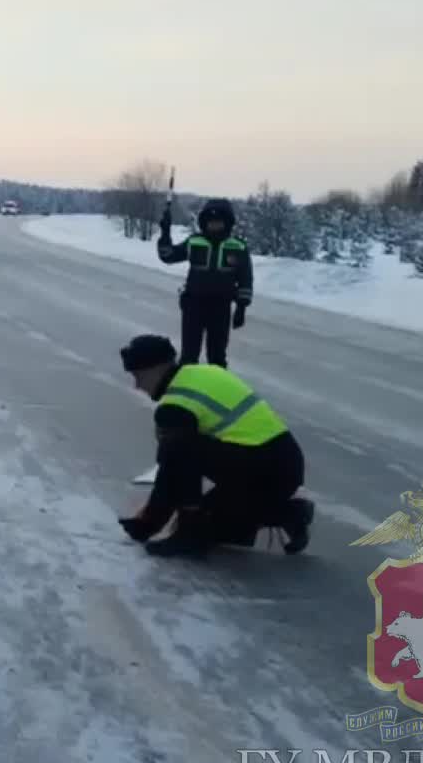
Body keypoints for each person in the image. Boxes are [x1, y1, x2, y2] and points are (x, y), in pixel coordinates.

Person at [115, 334, 313, 557]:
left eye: (138, 376)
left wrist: (148, 524)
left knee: (177, 452)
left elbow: (173, 468)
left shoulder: (175, 405)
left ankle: (188, 534)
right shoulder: (204, 372)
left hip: (261, 472)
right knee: (214, 526)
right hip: (284, 465)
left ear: (156, 368)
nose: (137, 385)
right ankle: (288, 513)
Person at [156, 197, 252, 366]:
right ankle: (186, 389)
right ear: (204, 222)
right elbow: (168, 256)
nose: (214, 225)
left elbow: (245, 279)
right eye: (210, 222)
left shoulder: (238, 247)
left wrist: (241, 308)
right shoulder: (194, 241)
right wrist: (165, 233)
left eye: (219, 222)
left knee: (217, 357)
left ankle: (216, 389)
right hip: (193, 305)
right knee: (189, 356)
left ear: (228, 223)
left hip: (221, 308)